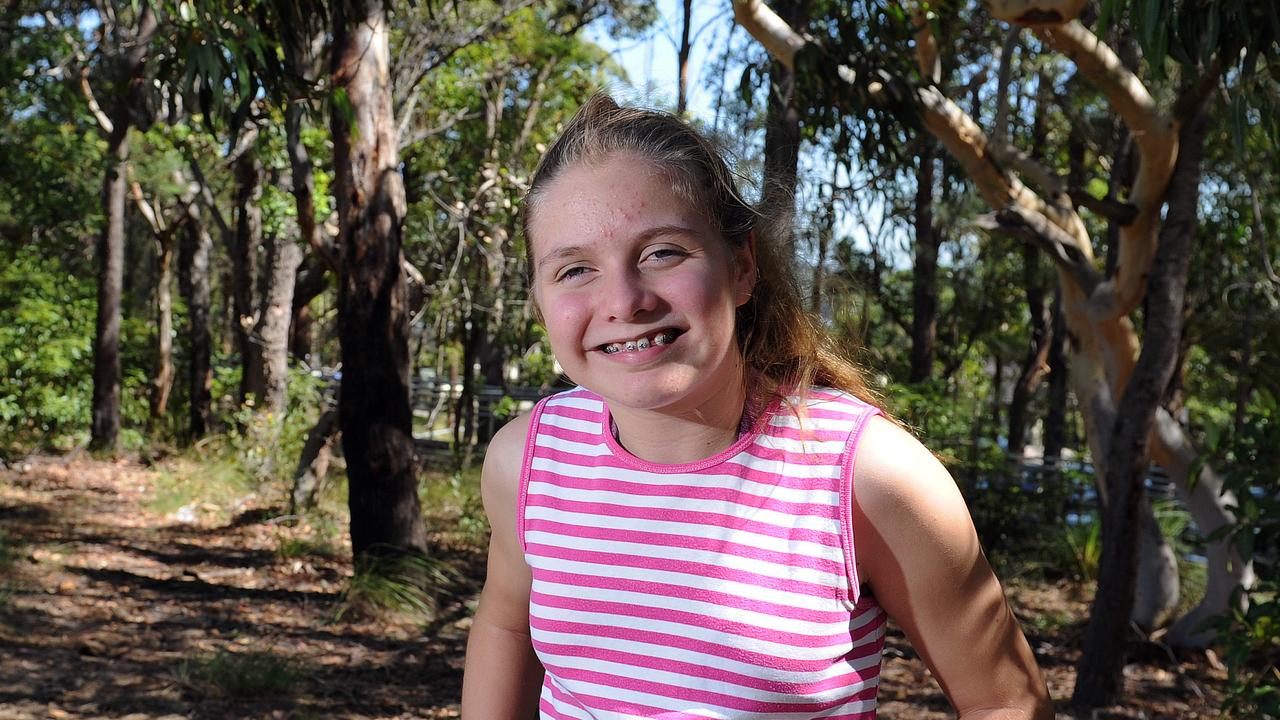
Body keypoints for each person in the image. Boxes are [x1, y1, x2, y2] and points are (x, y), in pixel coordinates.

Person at [460, 94, 1052, 719]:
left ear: (741, 268)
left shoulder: (867, 477)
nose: (624, 301)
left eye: (662, 252)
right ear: (539, 300)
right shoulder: (527, 459)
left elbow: (1004, 702)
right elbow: (506, 628)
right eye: (574, 269)